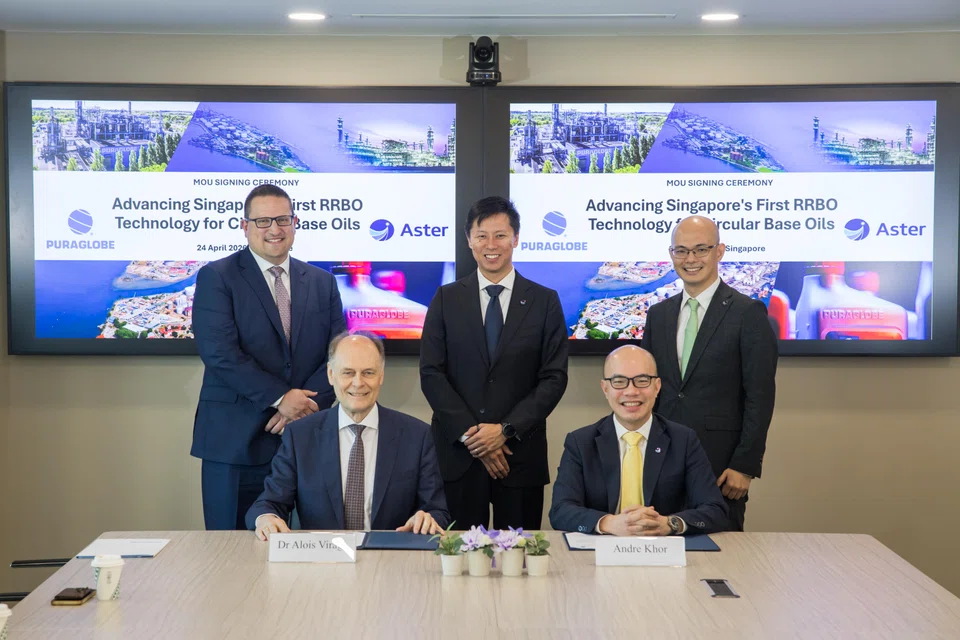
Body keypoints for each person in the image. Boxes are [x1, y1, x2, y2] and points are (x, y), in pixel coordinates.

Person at [192, 184, 346, 530]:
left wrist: (305, 407)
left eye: (282, 219)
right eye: (262, 221)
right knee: (232, 549)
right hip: (236, 442)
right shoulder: (218, 276)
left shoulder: (322, 282)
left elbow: (338, 354)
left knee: (312, 549)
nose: (274, 229)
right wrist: (281, 399)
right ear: (244, 226)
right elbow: (220, 353)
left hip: (306, 437)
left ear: (295, 223)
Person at [420, 196, 568, 530]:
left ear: (516, 238)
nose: (491, 245)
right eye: (482, 235)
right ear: (469, 240)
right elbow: (431, 373)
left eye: (500, 235)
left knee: (520, 555)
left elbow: (554, 378)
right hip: (459, 457)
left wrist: (504, 431)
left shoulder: (545, 301)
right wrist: (474, 438)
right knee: (456, 554)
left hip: (519, 456)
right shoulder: (445, 299)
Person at [641, 215, 778, 531]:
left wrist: (745, 465)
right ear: (672, 254)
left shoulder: (747, 313)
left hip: (720, 467)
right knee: (659, 551)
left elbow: (759, 396)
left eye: (701, 249)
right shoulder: (658, 315)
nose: (690, 259)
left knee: (721, 553)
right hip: (660, 462)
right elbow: (647, 389)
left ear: (719, 251)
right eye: (681, 250)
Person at [248, 332, 450, 538]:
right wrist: (266, 517)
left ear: (381, 376)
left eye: (368, 373)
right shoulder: (300, 436)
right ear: (330, 374)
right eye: (348, 373)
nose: (358, 382)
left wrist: (427, 519)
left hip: (389, 554)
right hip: (322, 555)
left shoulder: (417, 436)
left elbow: (438, 511)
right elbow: (269, 503)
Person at [549, 345, 728, 536]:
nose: (631, 391)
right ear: (605, 388)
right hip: (601, 548)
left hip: (664, 548)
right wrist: (609, 523)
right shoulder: (581, 442)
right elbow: (560, 511)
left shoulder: (684, 440)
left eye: (642, 381)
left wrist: (669, 523)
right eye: (619, 382)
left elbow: (715, 510)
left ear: (657, 386)